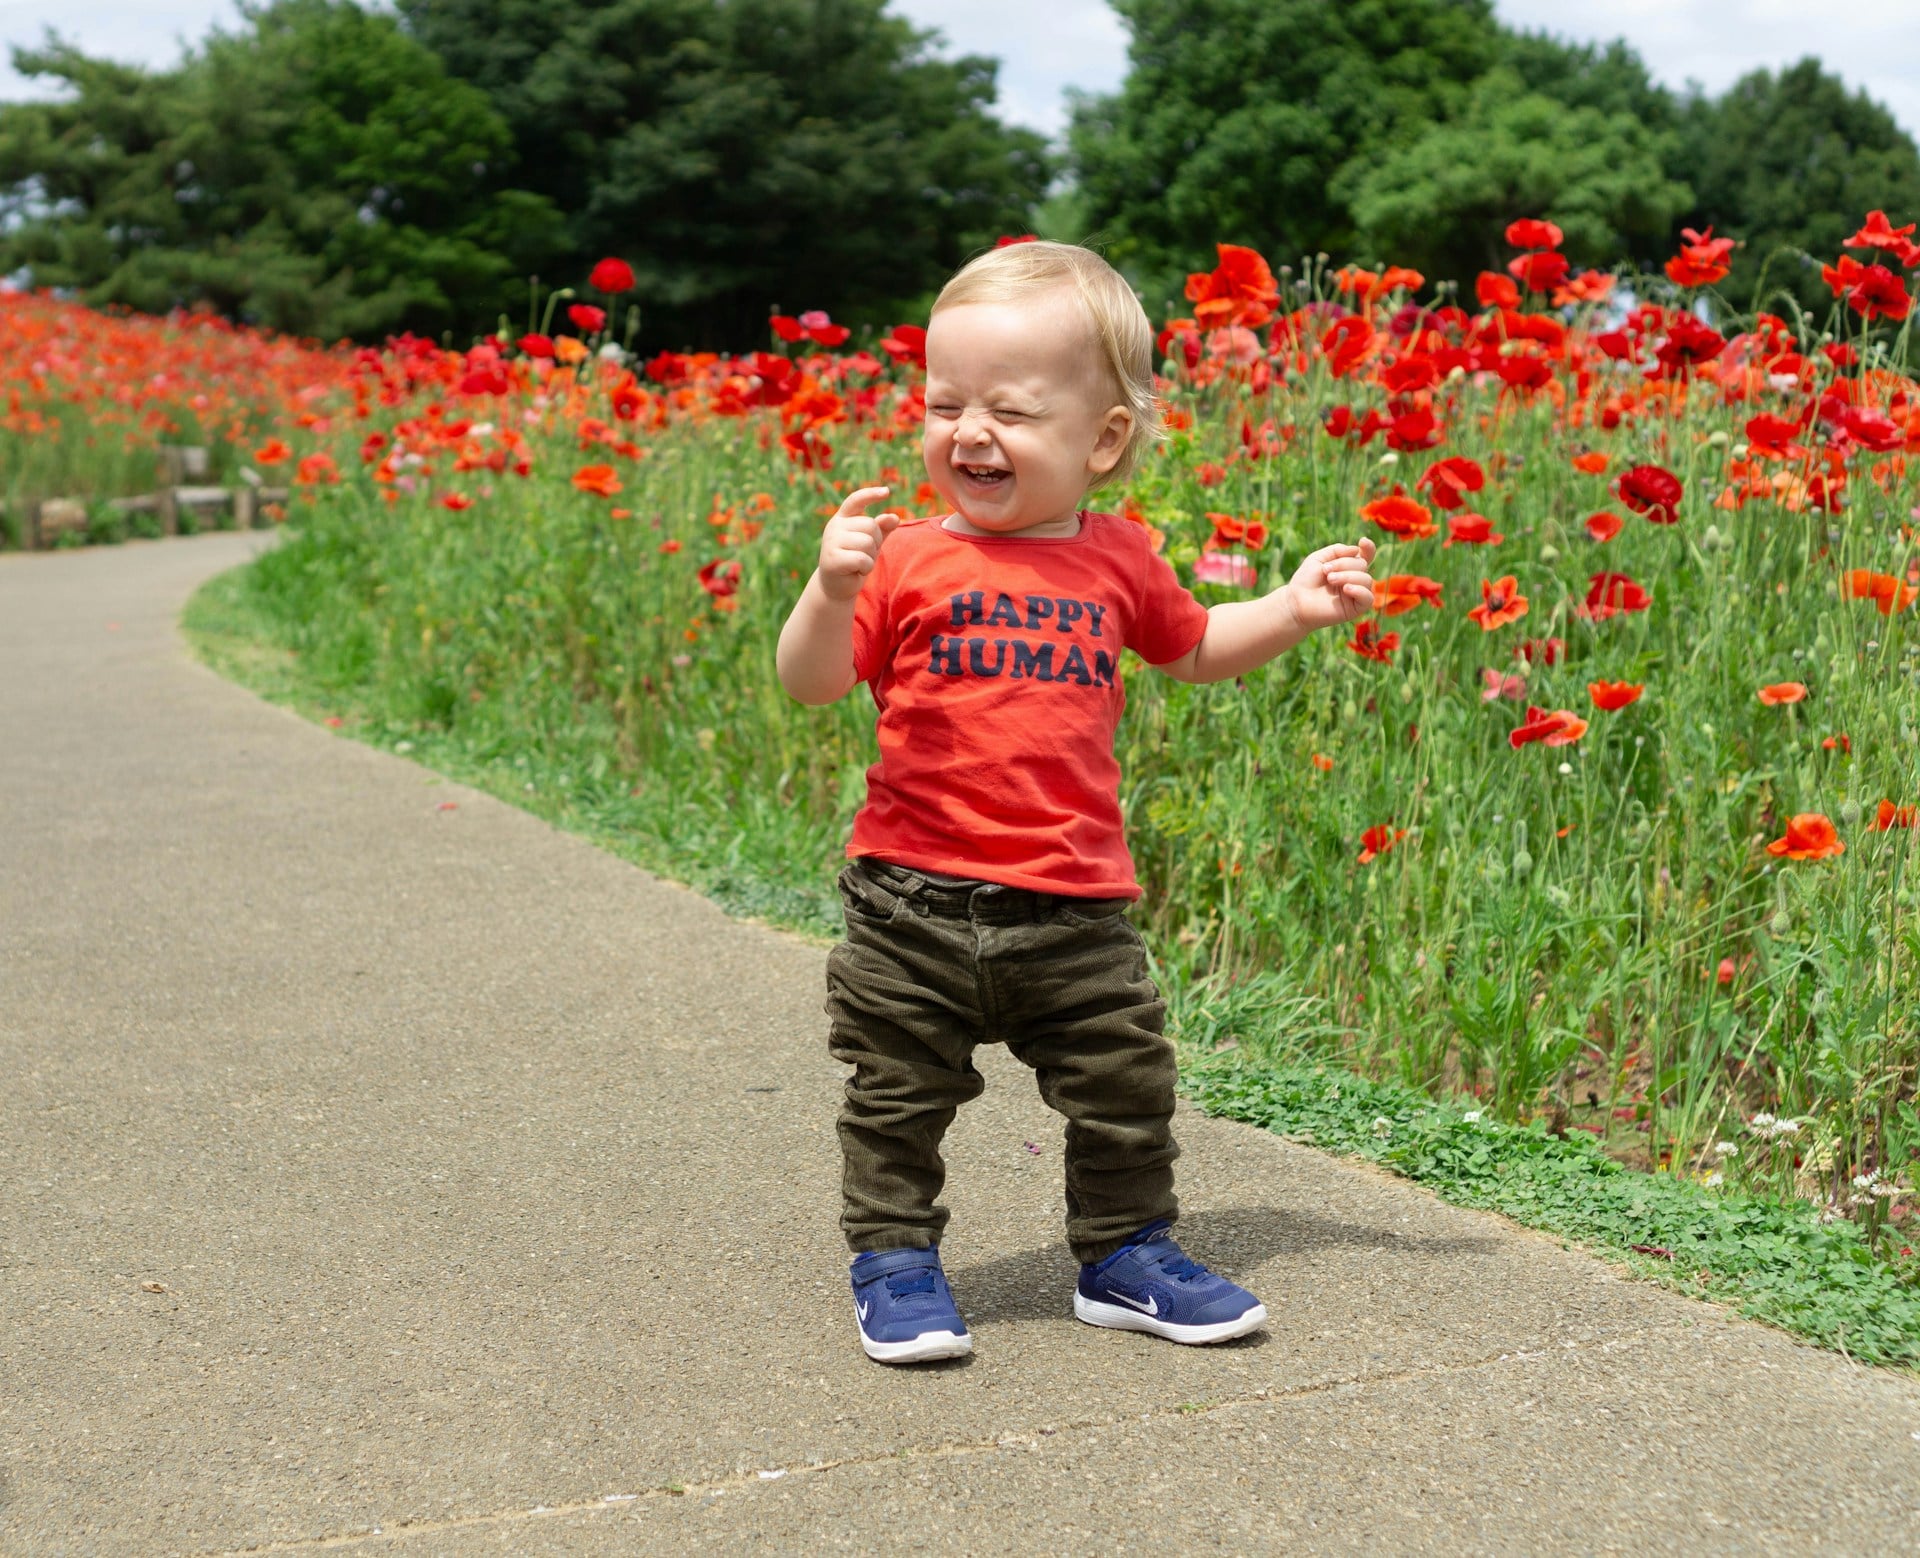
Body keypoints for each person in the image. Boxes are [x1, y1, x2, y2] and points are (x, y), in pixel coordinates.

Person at [775, 239, 1376, 1365]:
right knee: (897, 1094)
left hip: (1075, 905)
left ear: (1104, 441)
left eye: (1009, 408)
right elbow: (810, 681)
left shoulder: (1121, 559)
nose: (968, 432)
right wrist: (827, 588)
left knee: (1126, 1085)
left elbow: (1195, 646)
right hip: (910, 905)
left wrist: (1291, 607)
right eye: (944, 402)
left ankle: (1124, 1253)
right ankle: (895, 1260)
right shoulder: (902, 558)